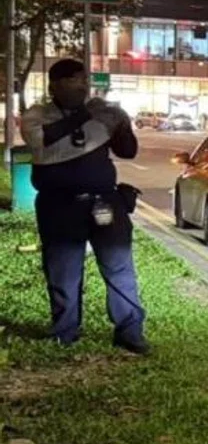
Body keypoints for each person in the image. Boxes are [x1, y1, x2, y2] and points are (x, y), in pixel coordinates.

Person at [20, 59, 149, 355]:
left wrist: (122, 125)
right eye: (73, 81)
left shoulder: (101, 114)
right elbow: (41, 142)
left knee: (119, 267)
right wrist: (83, 115)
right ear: (54, 85)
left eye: (83, 80)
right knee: (62, 271)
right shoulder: (37, 116)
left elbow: (127, 152)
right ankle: (64, 331)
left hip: (103, 203)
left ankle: (130, 331)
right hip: (58, 206)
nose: (81, 86)